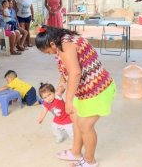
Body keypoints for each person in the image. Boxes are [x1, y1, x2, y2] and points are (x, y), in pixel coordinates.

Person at [35, 25, 116, 167]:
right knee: (76, 120)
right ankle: (76, 152)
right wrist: (62, 82)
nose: (50, 54)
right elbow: (66, 67)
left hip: (97, 90)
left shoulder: (65, 46)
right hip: (85, 90)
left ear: (52, 44)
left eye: (48, 51)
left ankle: (90, 161)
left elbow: (75, 72)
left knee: (85, 126)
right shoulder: (64, 40)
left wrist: (68, 100)